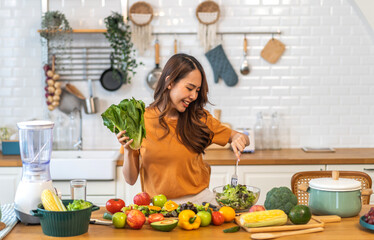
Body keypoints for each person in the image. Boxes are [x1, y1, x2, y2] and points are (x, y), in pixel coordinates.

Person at [117, 53, 249, 204]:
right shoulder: (140, 121)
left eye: (197, 90)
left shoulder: (199, 119)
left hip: (200, 203)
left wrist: (240, 138)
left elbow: (242, 137)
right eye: (190, 88)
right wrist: (128, 151)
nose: (193, 96)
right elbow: (130, 179)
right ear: (170, 82)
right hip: (158, 208)